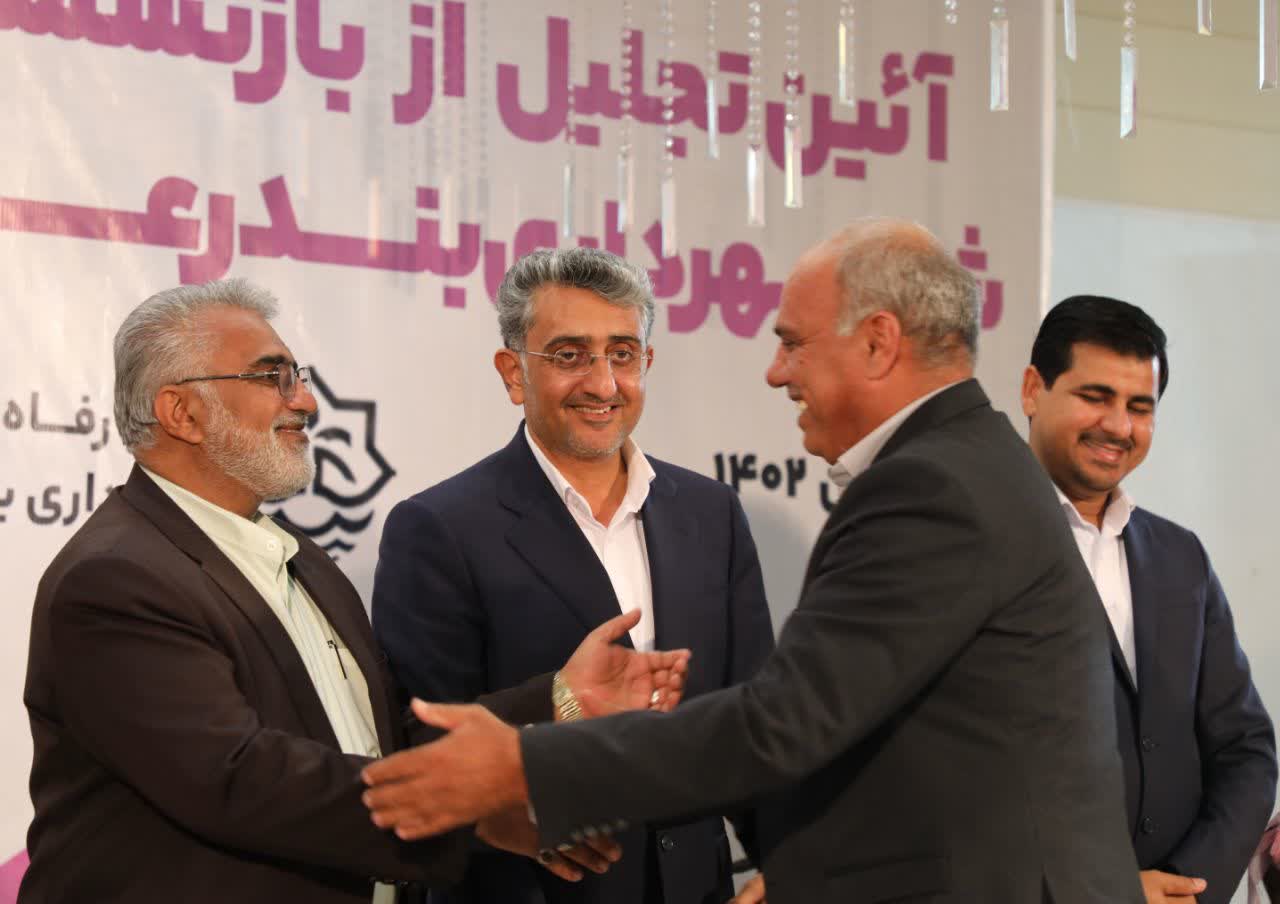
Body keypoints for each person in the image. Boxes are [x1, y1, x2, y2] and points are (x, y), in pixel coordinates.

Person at [361, 219, 1146, 904]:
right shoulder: (969, 463)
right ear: (515, 371)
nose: (776, 370)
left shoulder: (928, 484)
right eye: (571, 354)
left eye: (794, 342)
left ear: (878, 343)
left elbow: (778, 719)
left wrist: (530, 764)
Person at [19, 278, 689, 904]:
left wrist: (559, 696)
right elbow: (240, 779)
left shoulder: (300, 559)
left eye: (298, 377)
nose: (305, 401)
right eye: (272, 376)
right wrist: (476, 813)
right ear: (182, 412)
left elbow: (384, 738)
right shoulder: (115, 580)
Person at [371, 245, 774, 904]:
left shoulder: (713, 514)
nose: (603, 384)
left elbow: (756, 717)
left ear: (647, 363)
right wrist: (524, 794)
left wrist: (788, 865)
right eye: (569, 355)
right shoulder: (439, 528)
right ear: (513, 373)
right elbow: (416, 746)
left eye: (622, 353)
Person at [1022, 295, 1276, 904]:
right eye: (1095, 396)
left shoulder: (1180, 556)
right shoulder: (976, 541)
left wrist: (1191, 887)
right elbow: (948, 775)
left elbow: (1244, 751)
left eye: (1140, 407)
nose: (1118, 426)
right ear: (1033, 390)